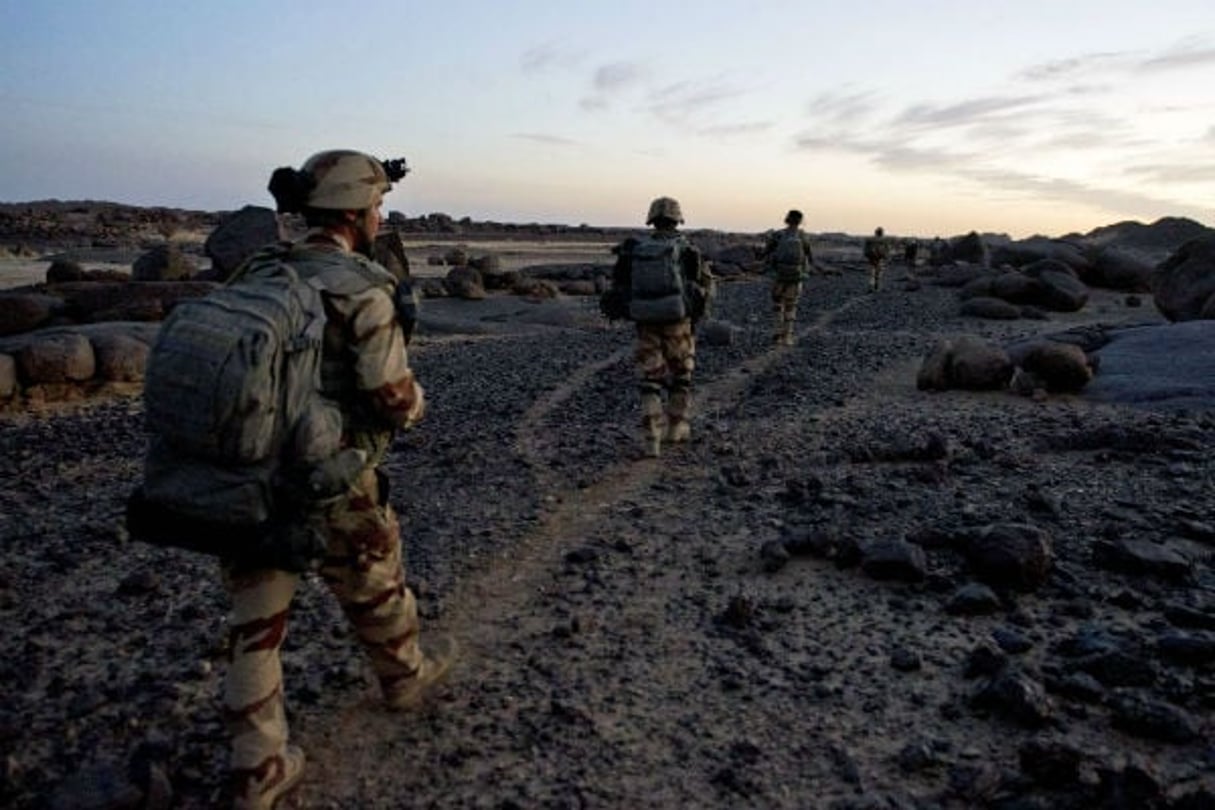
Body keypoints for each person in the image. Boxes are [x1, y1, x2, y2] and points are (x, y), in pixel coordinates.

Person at [220, 150, 453, 808]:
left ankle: (255, 765)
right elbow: (391, 396)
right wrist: (415, 404)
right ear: (355, 213)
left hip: (248, 468)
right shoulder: (360, 285)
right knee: (374, 582)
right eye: (377, 206)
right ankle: (404, 680)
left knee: (255, 626)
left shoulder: (259, 269)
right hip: (332, 475)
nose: (381, 216)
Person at [609, 196, 712, 458]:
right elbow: (705, 286)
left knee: (649, 379)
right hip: (678, 321)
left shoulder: (636, 248)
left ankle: (651, 437)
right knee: (681, 375)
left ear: (652, 219)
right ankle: (676, 428)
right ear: (677, 218)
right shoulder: (686, 248)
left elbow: (619, 284)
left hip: (645, 320)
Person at [762, 209, 816, 346]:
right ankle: (787, 336)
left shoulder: (778, 235)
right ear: (800, 221)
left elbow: (766, 252)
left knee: (777, 304)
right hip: (796, 276)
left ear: (787, 219)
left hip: (778, 275)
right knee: (791, 306)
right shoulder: (803, 236)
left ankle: (777, 332)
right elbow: (809, 256)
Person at [862, 226, 891, 292]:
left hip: (872, 258)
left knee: (872, 271)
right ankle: (876, 286)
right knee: (878, 273)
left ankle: (871, 285)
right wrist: (887, 257)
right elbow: (887, 250)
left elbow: (865, 249)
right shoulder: (884, 240)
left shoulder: (870, 240)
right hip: (880, 257)